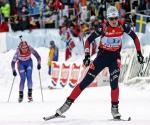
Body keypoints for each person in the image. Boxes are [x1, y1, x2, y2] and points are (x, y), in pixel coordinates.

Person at [52, 6, 145, 119]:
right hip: (102, 57)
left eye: (115, 18)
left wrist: (139, 53)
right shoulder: (103, 28)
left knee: (114, 83)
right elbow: (88, 40)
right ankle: (64, 107)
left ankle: (115, 110)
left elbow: (135, 38)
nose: (114, 21)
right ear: (107, 19)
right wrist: (87, 55)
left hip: (114, 58)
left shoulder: (123, 25)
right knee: (86, 82)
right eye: (111, 19)